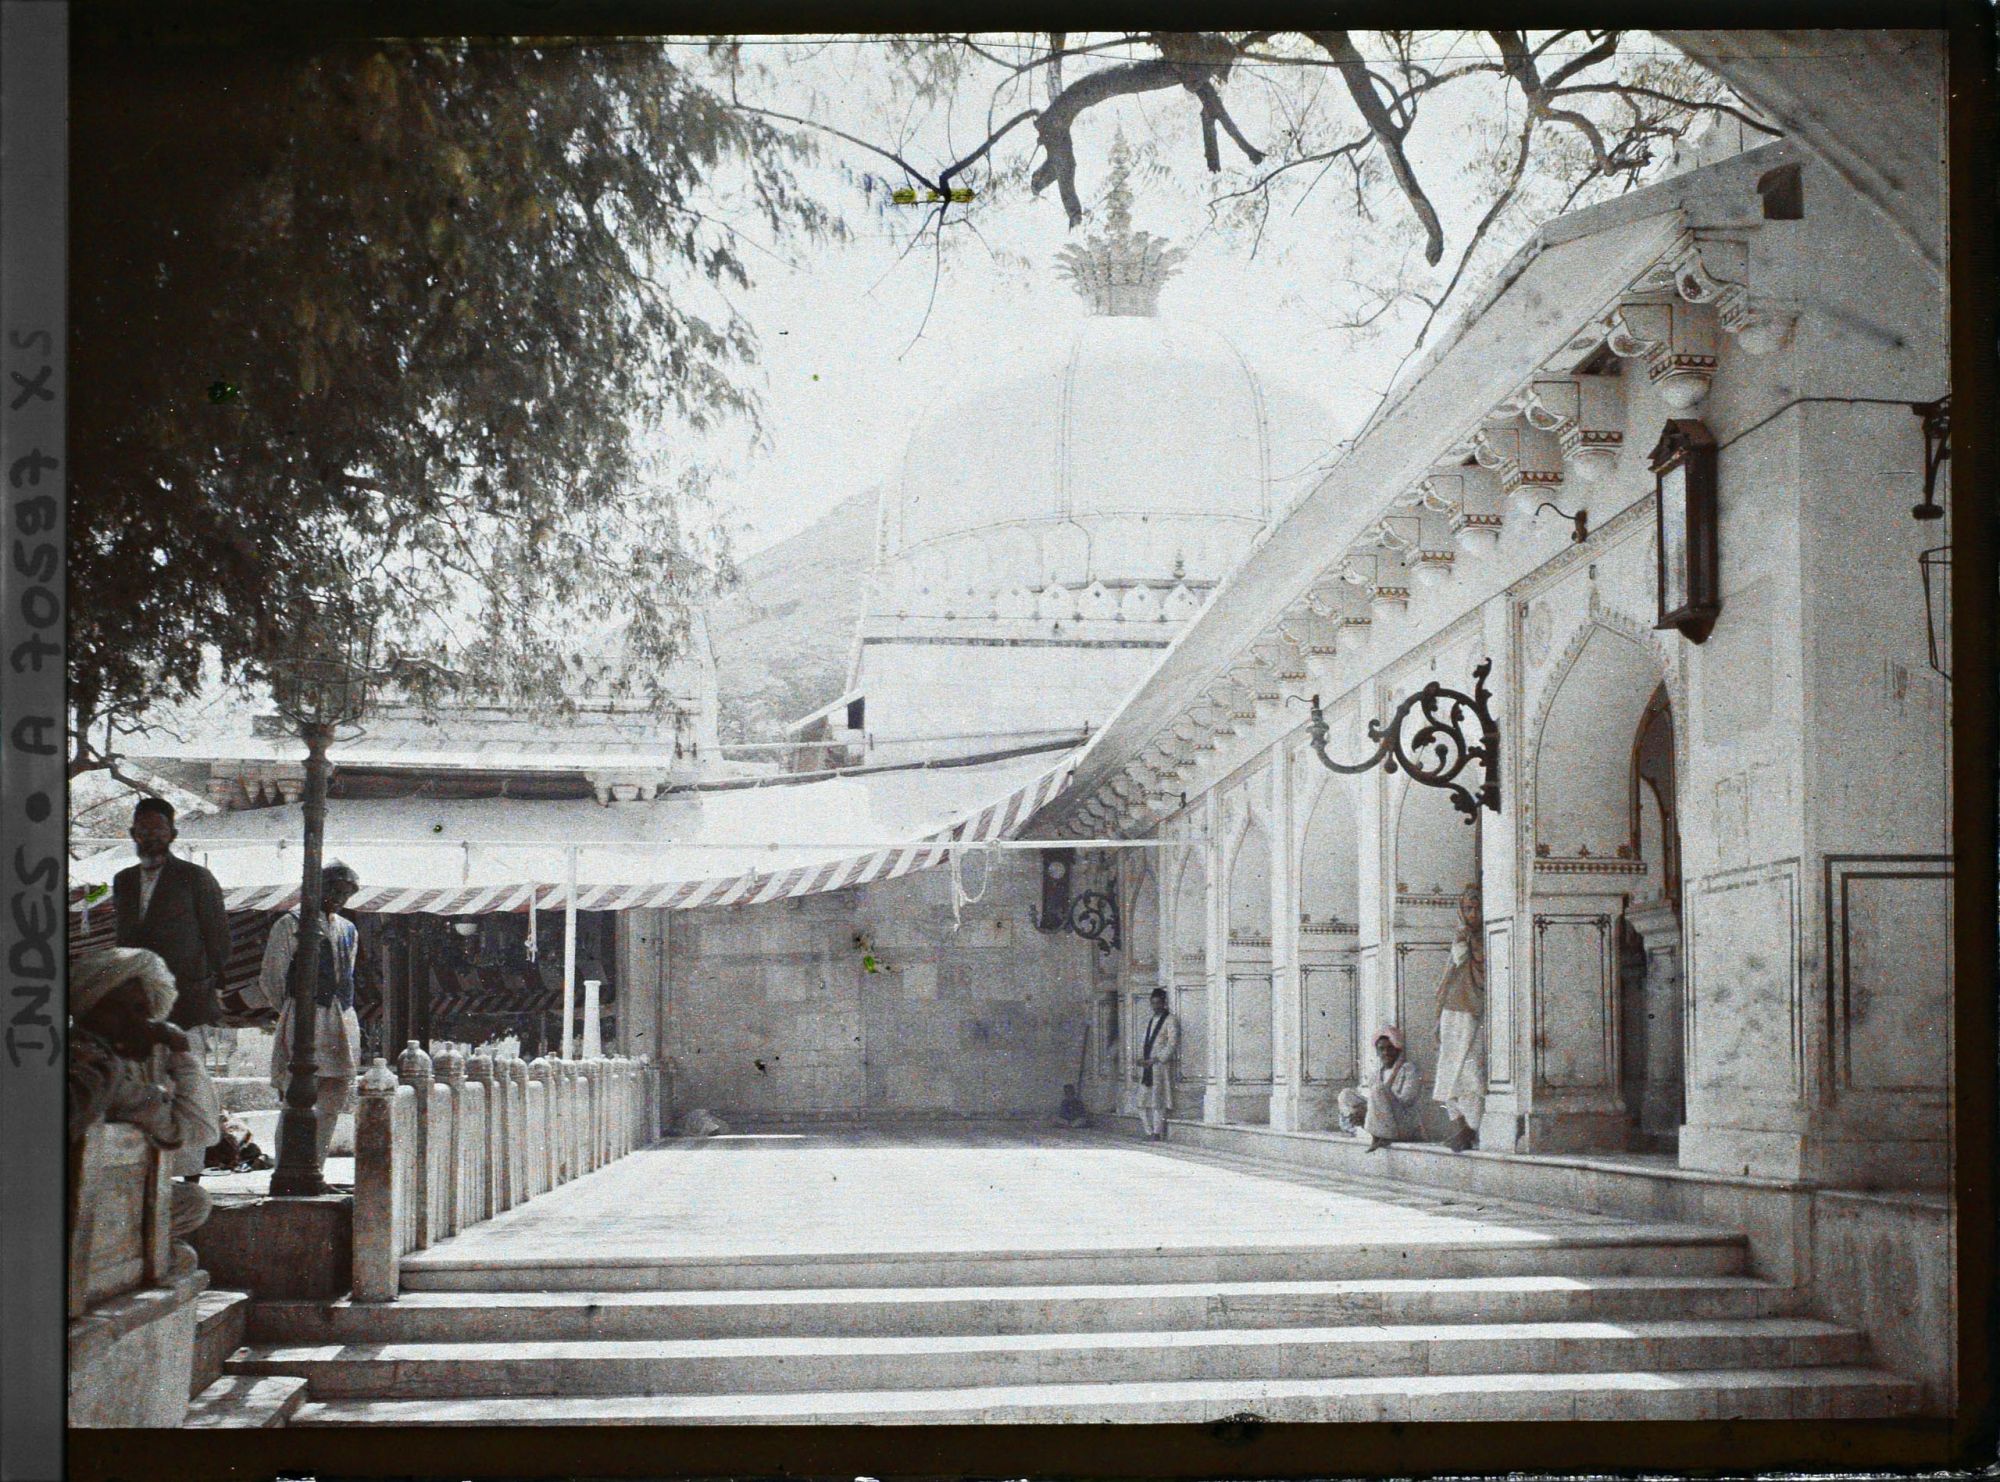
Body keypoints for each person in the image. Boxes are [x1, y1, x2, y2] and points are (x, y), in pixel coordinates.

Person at [112, 796, 229, 1179]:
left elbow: (219, 942)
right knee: (145, 1085)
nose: (150, 836)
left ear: (173, 833)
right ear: (133, 833)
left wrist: (203, 988)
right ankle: (152, 1172)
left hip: (187, 1001)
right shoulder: (124, 881)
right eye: (143, 829)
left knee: (189, 1083)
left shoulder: (195, 878)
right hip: (139, 1004)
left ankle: (191, 1171)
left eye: (158, 829)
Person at [68, 947, 221, 1240]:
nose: (131, 1021)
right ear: (90, 1007)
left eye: (139, 1011)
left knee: (192, 1203)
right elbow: (199, 1129)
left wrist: (179, 1053)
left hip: (104, 1202)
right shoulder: (94, 1066)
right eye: (115, 1009)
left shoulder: (122, 1069)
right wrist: (178, 1050)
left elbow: (201, 1132)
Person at [262, 862, 363, 1164]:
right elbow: (272, 977)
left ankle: (315, 1168)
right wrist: (296, 1010)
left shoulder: (348, 929)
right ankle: (288, 1168)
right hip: (306, 1019)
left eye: (345, 893)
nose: (339, 898)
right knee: (298, 1096)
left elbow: (347, 973)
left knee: (332, 1099)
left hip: (340, 1018)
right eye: (334, 889)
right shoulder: (290, 924)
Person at [1433, 887, 1488, 1152]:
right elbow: (1448, 976)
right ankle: (1462, 1127)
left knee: (1470, 1072)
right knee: (1449, 1073)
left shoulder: (1487, 938)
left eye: (1477, 908)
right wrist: (1437, 1014)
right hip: (1454, 1011)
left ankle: (1473, 1129)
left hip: (1476, 1011)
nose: (1473, 914)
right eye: (1467, 908)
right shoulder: (1460, 937)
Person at [1338, 1026, 1421, 1151]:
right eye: (1381, 1049)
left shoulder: (1408, 1069)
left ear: (1397, 1049)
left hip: (1402, 1122)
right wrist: (1366, 1109)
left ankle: (1377, 1134)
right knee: (1346, 1094)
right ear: (1377, 1052)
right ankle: (1363, 1129)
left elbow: (1407, 1100)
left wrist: (1382, 1099)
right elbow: (1370, 1100)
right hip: (1380, 1120)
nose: (1386, 1053)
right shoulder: (1376, 1074)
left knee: (1378, 1090)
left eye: (1390, 1048)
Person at [1137, 988, 1179, 1141]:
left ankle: (1156, 1132)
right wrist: (1142, 1059)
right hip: (1148, 1067)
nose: (1155, 1006)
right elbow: (1147, 1043)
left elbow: (1172, 1044)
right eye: (1153, 1003)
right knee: (1141, 1102)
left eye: (1158, 1003)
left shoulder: (1170, 1020)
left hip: (1159, 1066)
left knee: (1157, 1101)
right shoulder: (1151, 1020)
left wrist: (1156, 1059)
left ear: (1164, 1003)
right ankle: (1148, 1131)